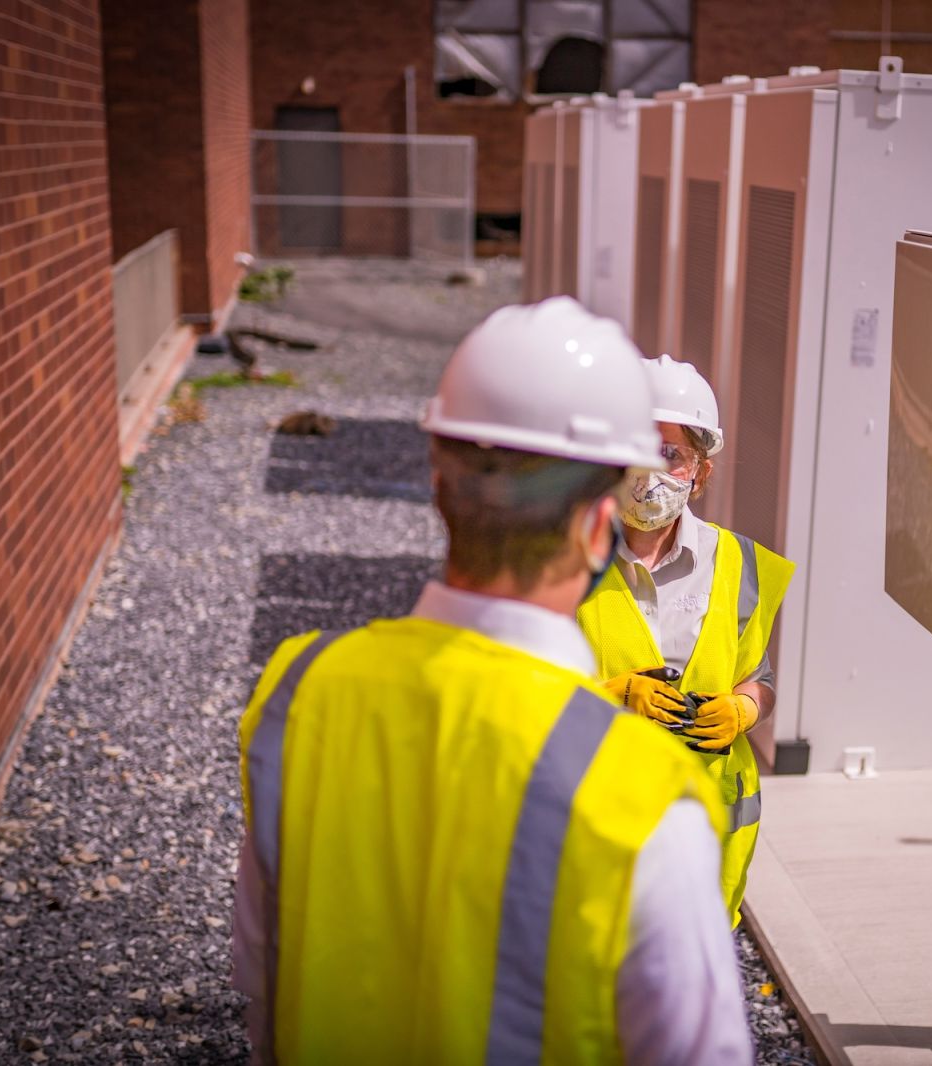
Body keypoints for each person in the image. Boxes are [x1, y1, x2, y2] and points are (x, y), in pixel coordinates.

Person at [231, 298, 753, 1064]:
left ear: (439, 489)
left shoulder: (297, 690)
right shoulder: (641, 797)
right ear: (596, 525)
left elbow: (258, 972)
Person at [577, 355, 794, 927]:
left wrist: (743, 710)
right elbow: (519, 692)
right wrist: (611, 695)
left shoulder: (738, 564)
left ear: (700, 471)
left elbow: (760, 680)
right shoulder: (566, 561)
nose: (651, 470)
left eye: (671, 454)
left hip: (700, 839)